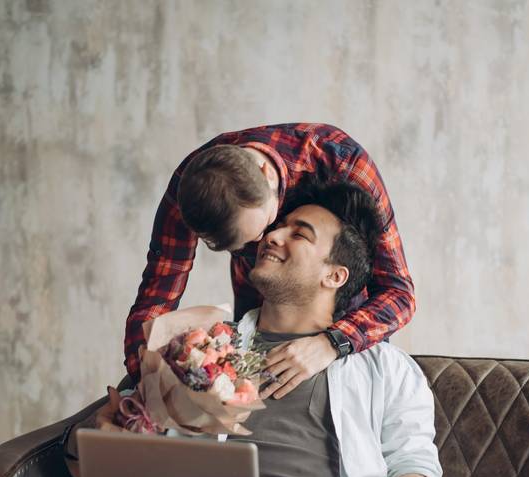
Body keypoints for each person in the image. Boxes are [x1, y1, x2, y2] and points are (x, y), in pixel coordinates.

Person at [101, 180, 457, 477]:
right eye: (277, 227)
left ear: (335, 275)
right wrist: (106, 434)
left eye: (299, 233)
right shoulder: (200, 347)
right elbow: (127, 449)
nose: (272, 236)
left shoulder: (386, 367)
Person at [124, 123, 417, 400]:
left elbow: (399, 293)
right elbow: (154, 302)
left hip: (350, 327)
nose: (268, 240)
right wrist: (149, 390)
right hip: (256, 317)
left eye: (266, 226)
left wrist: (332, 343)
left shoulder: (341, 160)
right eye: (245, 246)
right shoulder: (192, 188)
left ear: (265, 172)